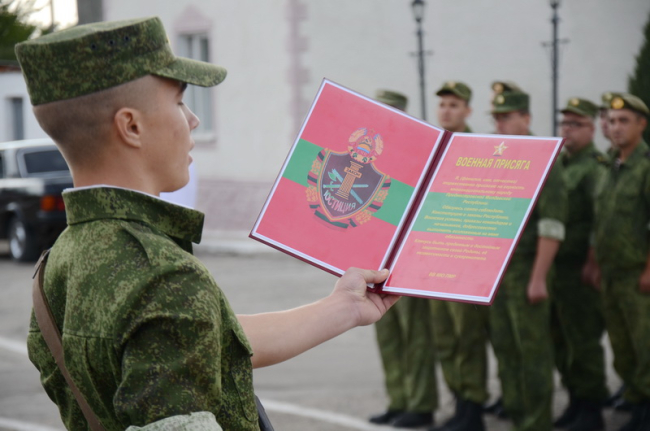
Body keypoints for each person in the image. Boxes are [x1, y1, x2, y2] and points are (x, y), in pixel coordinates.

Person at [16, 17, 399, 431]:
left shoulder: (56, 264)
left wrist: (344, 308)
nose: (194, 119)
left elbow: (201, 341)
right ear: (131, 126)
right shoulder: (163, 276)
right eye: (180, 102)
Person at [489, 85, 567, 431]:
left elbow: (552, 225)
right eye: (496, 118)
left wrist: (538, 278)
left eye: (507, 117)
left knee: (532, 350)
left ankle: (536, 422)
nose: (500, 124)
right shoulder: (498, 159)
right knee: (505, 347)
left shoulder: (545, 157)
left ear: (526, 118)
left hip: (527, 268)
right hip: (498, 271)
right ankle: (517, 413)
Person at [369, 89, 437, 429]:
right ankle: (398, 400)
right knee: (388, 333)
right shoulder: (369, 156)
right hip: (376, 258)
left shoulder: (418, 155)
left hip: (408, 259)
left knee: (416, 335)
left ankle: (420, 403)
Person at [428, 81, 489, 431]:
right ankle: (459, 400)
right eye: (442, 104)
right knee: (445, 337)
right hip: (433, 256)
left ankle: (473, 406)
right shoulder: (432, 148)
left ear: (467, 110)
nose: (446, 110)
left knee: (468, 337)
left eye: (454, 105)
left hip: (465, 258)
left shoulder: (479, 150)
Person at [588, 93, 650, 431]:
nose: (615, 127)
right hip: (611, 274)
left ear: (642, 124)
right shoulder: (608, 166)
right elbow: (601, 221)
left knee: (645, 345)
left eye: (624, 121)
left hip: (637, 274)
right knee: (622, 346)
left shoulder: (645, 167)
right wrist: (596, 263)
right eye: (611, 121)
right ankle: (636, 400)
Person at [551, 98, 608, 431]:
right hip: (558, 270)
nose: (568, 130)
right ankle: (575, 400)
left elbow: (601, 221)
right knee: (562, 341)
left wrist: (592, 262)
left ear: (591, 129)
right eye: (565, 124)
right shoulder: (561, 164)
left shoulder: (594, 167)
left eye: (576, 124)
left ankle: (592, 408)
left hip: (579, 271)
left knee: (584, 341)